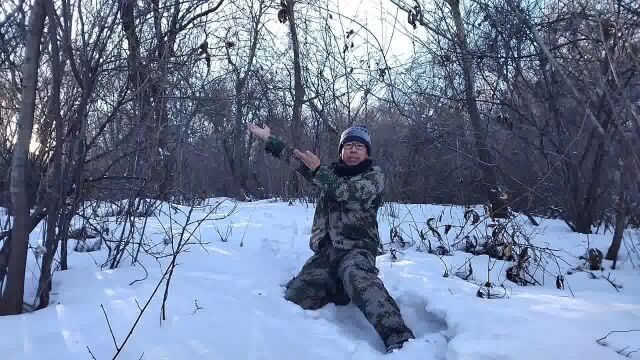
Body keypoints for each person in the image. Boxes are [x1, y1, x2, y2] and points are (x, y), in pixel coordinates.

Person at [248, 123, 415, 353]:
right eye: (348, 146)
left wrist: (319, 171)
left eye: (359, 146)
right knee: (295, 298)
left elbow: (347, 193)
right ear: (341, 152)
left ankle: (400, 339)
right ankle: (339, 288)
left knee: (357, 275)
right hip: (327, 252)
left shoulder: (374, 177)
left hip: (357, 251)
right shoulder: (328, 174)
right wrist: (269, 140)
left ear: (367, 152)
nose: (353, 150)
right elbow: (297, 161)